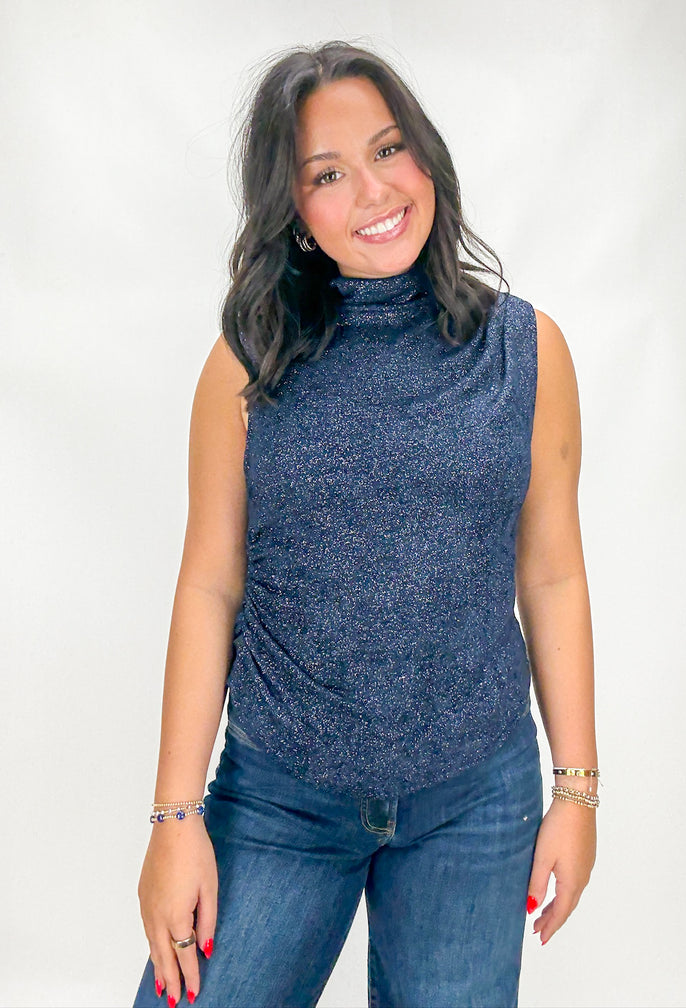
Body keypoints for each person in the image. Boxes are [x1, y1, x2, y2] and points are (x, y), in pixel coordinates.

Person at [132, 40, 598, 1008]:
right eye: (328, 174)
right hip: (280, 798)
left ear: (426, 156)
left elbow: (551, 573)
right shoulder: (247, 365)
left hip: (476, 800)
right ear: (294, 212)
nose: (375, 190)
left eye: (389, 150)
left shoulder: (527, 352)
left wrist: (577, 789)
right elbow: (210, 584)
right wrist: (175, 819)